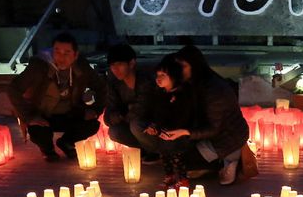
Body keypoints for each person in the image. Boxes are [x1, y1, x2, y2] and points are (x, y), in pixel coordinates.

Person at [8, 32, 105, 162]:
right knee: (38, 131)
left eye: (66, 53)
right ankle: (48, 150)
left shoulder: (81, 67)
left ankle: (66, 143)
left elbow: (101, 86)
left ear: (75, 55)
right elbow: (13, 88)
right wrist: (29, 117)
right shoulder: (39, 67)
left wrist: (95, 110)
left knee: (92, 124)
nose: (61, 57)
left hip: (70, 113)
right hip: (44, 115)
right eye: (57, 52)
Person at [175, 45, 249, 185]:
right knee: (179, 156)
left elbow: (214, 129)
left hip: (228, 139)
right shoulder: (193, 84)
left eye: (183, 66)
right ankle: (214, 163)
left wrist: (186, 132)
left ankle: (229, 161)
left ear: (195, 66)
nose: (179, 71)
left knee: (186, 162)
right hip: (213, 136)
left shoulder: (214, 90)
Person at [137, 56, 196, 189]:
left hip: (179, 134)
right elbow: (157, 113)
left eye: (163, 75)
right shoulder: (160, 94)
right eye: (157, 75)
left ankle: (182, 178)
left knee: (177, 156)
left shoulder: (183, 94)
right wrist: (154, 126)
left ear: (174, 76)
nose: (158, 78)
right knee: (164, 155)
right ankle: (169, 176)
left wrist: (173, 130)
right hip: (164, 132)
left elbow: (184, 116)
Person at [102, 43, 158, 161]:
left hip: (153, 124)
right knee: (115, 132)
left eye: (120, 64)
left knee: (136, 125)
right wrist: (119, 115)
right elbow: (109, 115)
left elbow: (142, 109)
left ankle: (156, 150)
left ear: (132, 63)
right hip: (129, 123)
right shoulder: (114, 83)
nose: (115, 69)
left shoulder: (145, 80)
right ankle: (144, 149)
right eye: (112, 65)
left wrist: (123, 114)